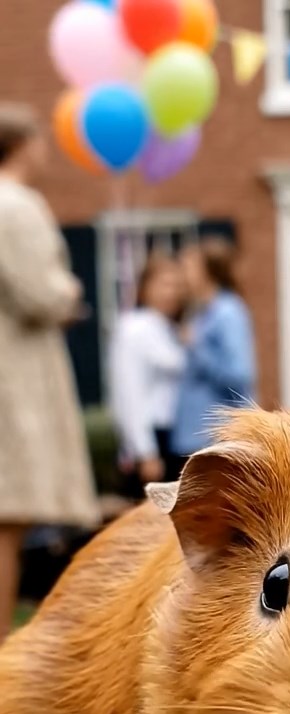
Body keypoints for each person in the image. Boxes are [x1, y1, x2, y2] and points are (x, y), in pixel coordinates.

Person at [0, 103, 99, 641]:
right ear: (21, 145)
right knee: (8, 516)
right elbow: (41, 291)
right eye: (39, 142)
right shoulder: (16, 205)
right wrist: (70, 291)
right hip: (14, 375)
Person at [109, 253, 187, 496]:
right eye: (164, 284)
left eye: (177, 285)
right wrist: (145, 451)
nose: (171, 293)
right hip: (153, 436)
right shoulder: (134, 328)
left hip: (174, 435)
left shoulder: (170, 329)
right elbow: (129, 392)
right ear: (144, 288)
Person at [173, 236, 257, 458]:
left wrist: (197, 347)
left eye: (189, 268)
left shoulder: (228, 312)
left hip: (217, 438)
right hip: (197, 437)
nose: (182, 276)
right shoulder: (201, 312)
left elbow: (240, 374)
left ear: (207, 271)